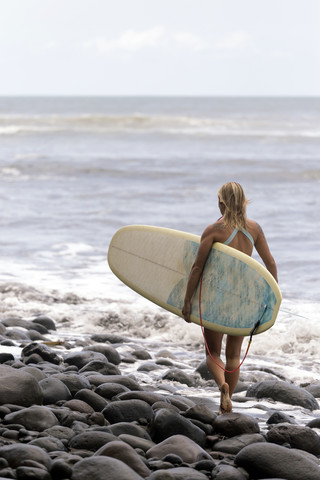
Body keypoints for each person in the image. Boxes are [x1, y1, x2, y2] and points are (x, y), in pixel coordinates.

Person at [182, 182, 278, 414]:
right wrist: (272, 297)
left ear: (221, 204)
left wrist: (187, 301)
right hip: (245, 299)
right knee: (233, 355)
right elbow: (270, 263)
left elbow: (197, 268)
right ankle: (229, 402)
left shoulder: (214, 230)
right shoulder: (254, 229)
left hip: (218, 298)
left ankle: (222, 386)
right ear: (244, 203)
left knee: (213, 353)